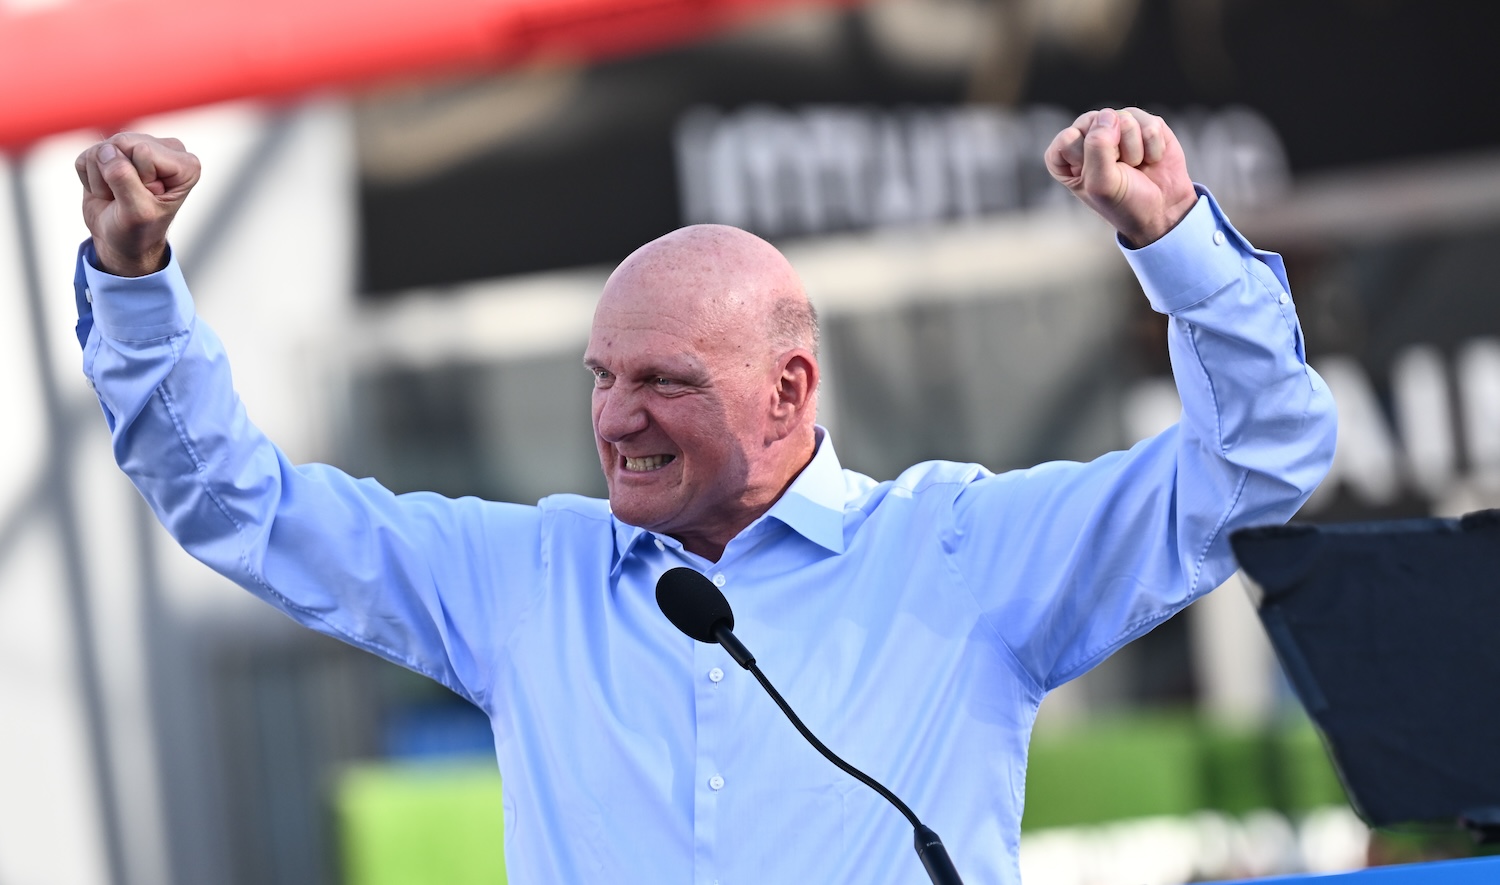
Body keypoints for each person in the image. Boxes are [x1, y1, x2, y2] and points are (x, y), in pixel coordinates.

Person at [72, 107, 1336, 884]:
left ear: (790, 390)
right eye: (601, 376)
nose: (616, 417)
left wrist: (1175, 245)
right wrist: (136, 285)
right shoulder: (526, 579)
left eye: (663, 381)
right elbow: (234, 502)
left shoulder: (960, 550)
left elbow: (1260, 465)